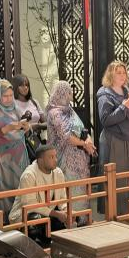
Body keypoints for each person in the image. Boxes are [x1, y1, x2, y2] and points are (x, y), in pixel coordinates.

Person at [96, 61, 129, 216]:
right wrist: (124, 106)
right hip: (115, 141)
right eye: (118, 72)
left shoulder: (127, 90)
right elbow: (106, 119)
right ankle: (117, 215)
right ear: (111, 74)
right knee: (118, 180)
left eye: (124, 72)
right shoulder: (105, 94)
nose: (122, 75)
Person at [46, 81, 96, 217]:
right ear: (61, 93)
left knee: (81, 189)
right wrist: (84, 144)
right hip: (65, 160)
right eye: (68, 92)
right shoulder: (54, 113)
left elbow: (82, 128)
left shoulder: (69, 110)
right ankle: (71, 218)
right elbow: (66, 136)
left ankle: (82, 218)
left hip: (79, 158)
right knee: (69, 189)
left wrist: (88, 141)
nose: (71, 94)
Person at [0, 79, 31, 215]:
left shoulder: (16, 108)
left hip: (19, 157)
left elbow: (24, 132)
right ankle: (3, 220)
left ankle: (20, 217)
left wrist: (27, 128)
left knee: (20, 189)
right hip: (1, 160)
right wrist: (8, 128)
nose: (9, 99)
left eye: (11, 95)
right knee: (4, 191)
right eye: (5, 96)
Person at [8, 145, 69, 245]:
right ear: (40, 160)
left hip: (49, 212)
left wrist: (66, 210)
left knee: (67, 219)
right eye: (51, 157)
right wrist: (56, 214)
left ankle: (51, 247)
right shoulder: (29, 175)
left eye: (55, 156)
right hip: (26, 214)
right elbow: (30, 205)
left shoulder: (58, 172)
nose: (55, 160)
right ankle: (33, 248)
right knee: (35, 218)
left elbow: (62, 198)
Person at [11, 74, 47, 152]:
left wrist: (36, 126)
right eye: (22, 85)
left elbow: (46, 123)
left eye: (27, 85)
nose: (25, 87)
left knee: (37, 158)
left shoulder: (34, 102)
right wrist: (28, 127)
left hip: (35, 139)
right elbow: (11, 126)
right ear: (15, 86)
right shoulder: (12, 104)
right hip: (20, 142)